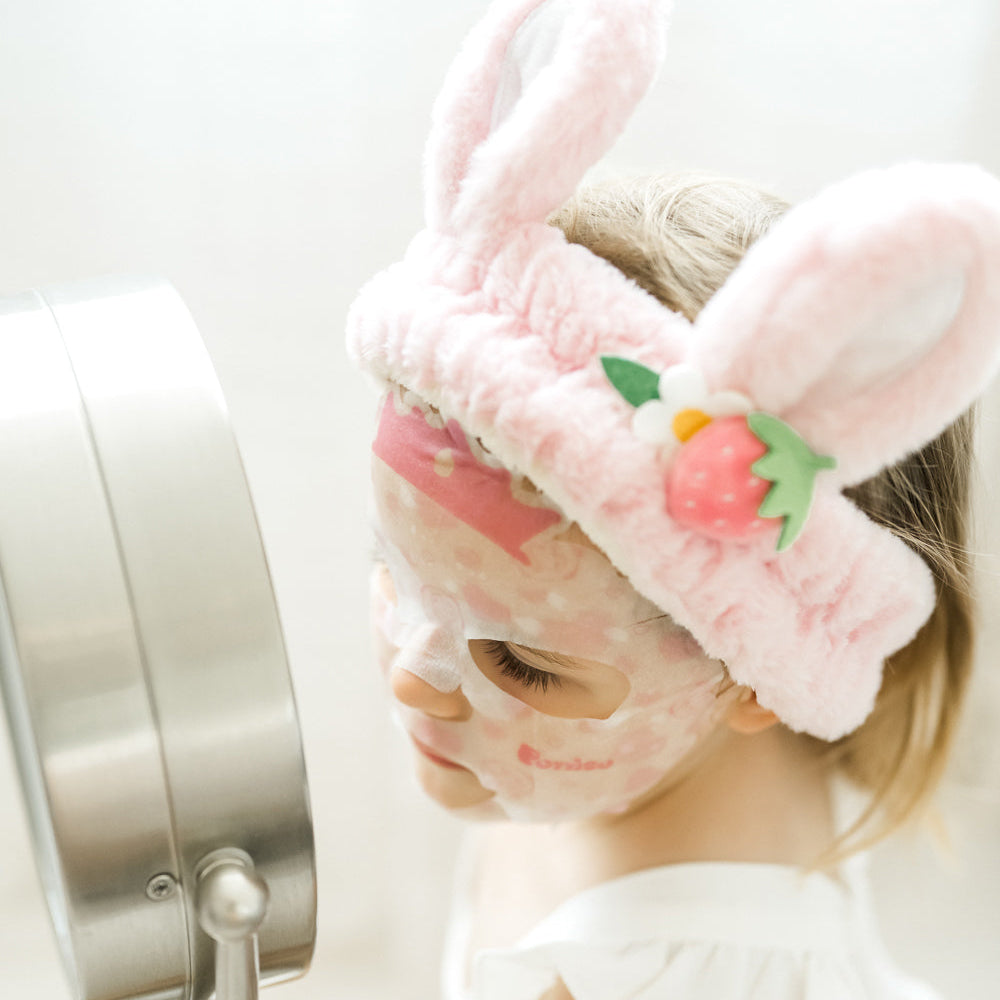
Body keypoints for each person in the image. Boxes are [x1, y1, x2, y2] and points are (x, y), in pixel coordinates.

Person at [347, 1, 1000, 997]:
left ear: (751, 677)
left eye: (519, 660)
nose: (410, 674)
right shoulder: (635, 760)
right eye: (390, 570)